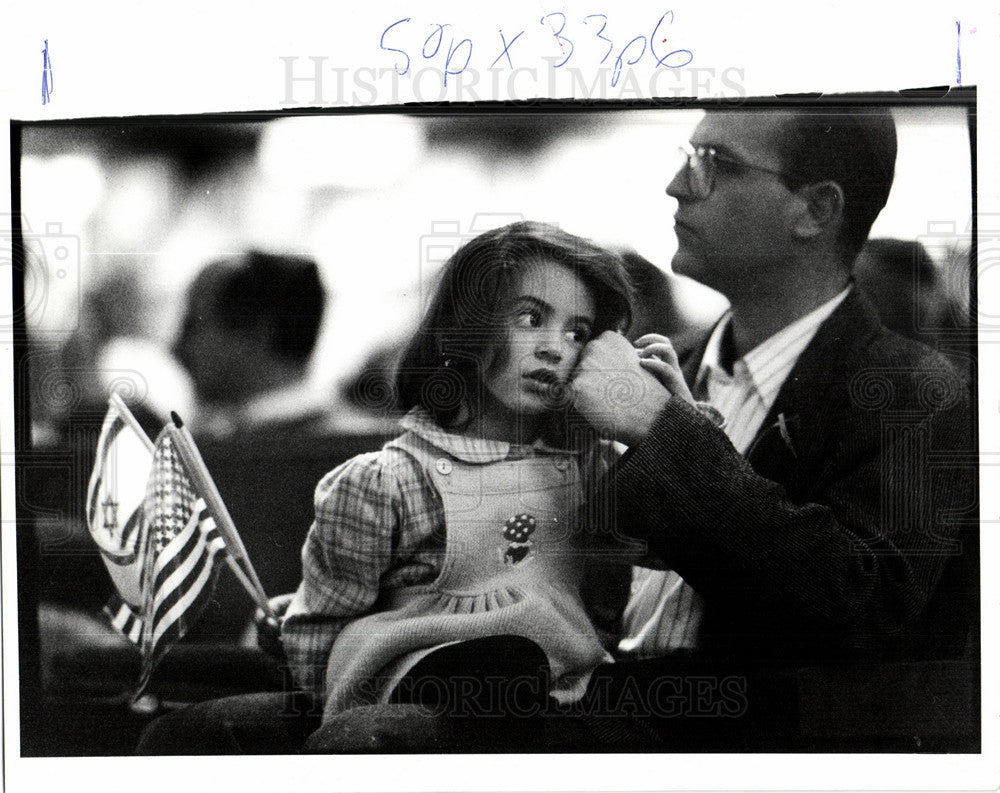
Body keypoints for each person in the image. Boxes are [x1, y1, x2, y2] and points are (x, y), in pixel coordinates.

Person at [138, 220, 651, 753]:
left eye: (578, 333)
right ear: (465, 327)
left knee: (532, 671)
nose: (555, 348)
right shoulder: (388, 480)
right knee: (486, 668)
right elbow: (323, 624)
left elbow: (656, 558)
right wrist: (315, 703)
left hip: (556, 684)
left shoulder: (590, 468)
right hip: (412, 675)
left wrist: (662, 417)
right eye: (530, 318)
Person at [567, 108, 975, 749]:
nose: (677, 184)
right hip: (601, 706)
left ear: (815, 211)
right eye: (687, 154)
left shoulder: (918, 393)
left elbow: (859, 605)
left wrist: (661, 429)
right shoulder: (663, 358)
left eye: (714, 165)